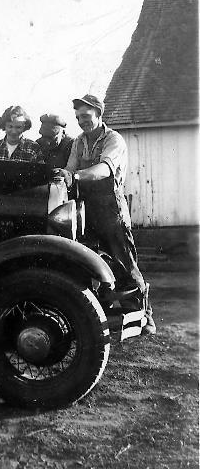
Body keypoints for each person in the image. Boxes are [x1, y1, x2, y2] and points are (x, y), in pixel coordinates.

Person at [55, 93, 156, 334]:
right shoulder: (79, 141)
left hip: (112, 208)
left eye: (86, 116)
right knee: (94, 261)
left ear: (99, 115)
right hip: (85, 209)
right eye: (78, 117)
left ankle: (146, 317)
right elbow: (70, 168)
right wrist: (62, 175)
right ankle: (103, 313)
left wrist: (75, 176)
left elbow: (104, 170)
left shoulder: (114, 139)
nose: (82, 121)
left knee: (125, 263)